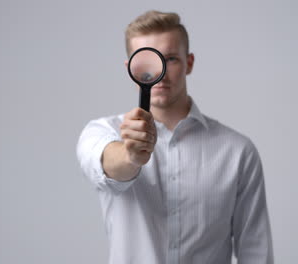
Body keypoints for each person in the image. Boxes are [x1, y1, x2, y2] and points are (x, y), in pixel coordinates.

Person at [76, 10, 273, 264]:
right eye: (146, 62)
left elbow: (256, 251)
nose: (160, 74)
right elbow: (106, 165)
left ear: (189, 62)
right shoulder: (101, 132)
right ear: (130, 69)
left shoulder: (238, 152)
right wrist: (130, 155)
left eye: (170, 59)